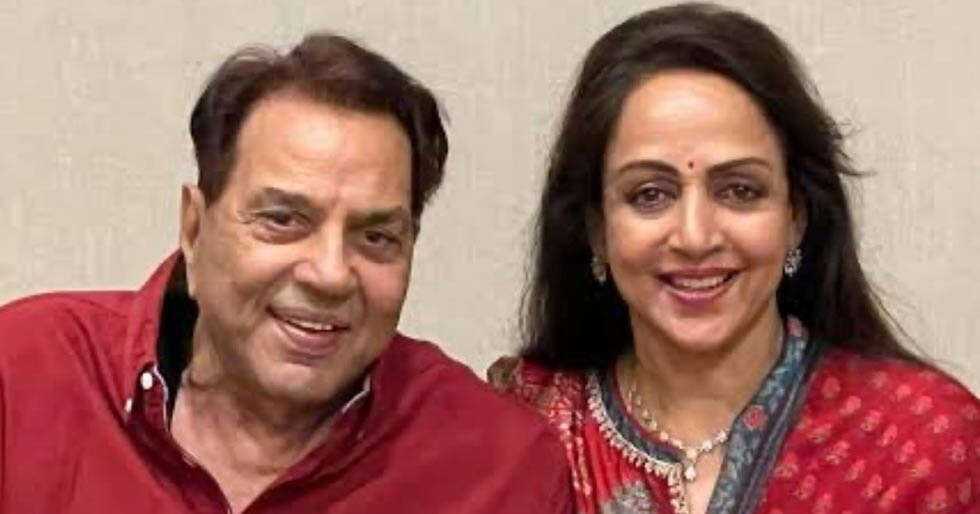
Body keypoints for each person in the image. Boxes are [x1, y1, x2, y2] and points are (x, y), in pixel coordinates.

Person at [0, 33, 572, 514]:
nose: (330, 274)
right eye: (283, 220)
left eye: (376, 237)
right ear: (194, 229)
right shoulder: (25, 374)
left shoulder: (500, 469)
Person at [489, 3, 980, 514]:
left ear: (796, 218)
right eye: (650, 194)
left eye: (740, 190)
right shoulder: (526, 438)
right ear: (596, 230)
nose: (695, 236)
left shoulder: (918, 444)